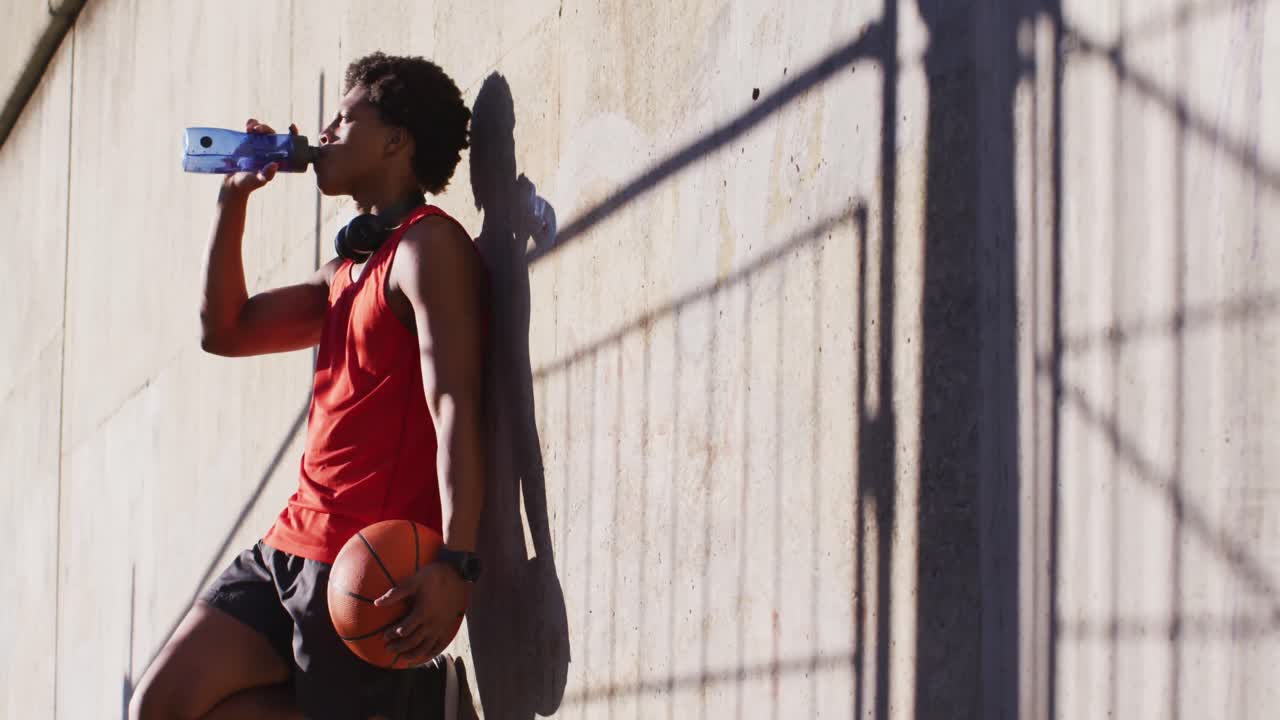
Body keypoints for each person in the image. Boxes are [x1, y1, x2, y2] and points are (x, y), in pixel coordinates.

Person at [129, 52, 486, 720]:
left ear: (395, 141)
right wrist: (233, 201)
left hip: (361, 565)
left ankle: (413, 700)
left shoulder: (426, 249)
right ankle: (410, 704)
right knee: (158, 705)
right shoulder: (344, 271)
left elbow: (455, 408)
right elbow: (225, 331)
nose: (322, 133)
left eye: (343, 120)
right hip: (286, 547)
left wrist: (456, 564)